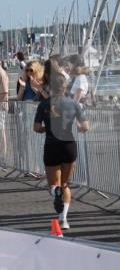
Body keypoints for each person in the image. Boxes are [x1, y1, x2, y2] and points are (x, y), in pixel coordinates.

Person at [34, 73, 90, 230]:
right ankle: (64, 220)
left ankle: (55, 191)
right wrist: (78, 127)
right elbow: (85, 127)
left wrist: (47, 128)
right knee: (66, 184)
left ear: (50, 87)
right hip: (69, 145)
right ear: (65, 86)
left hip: (52, 145)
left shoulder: (44, 104)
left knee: (53, 184)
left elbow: (37, 128)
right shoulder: (74, 104)